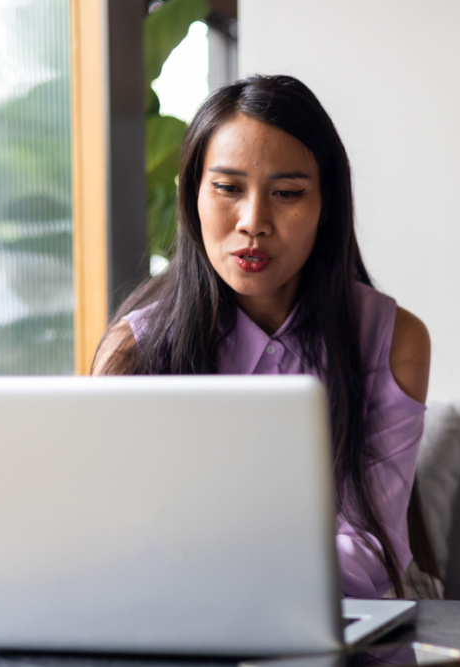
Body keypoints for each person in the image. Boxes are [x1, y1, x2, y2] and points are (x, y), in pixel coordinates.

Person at [92, 74, 433, 600]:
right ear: (192, 197)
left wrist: (200, 563)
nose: (254, 222)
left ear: (327, 207)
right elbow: (109, 540)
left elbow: (370, 551)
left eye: (288, 194)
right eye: (227, 188)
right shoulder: (136, 349)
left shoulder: (392, 340)